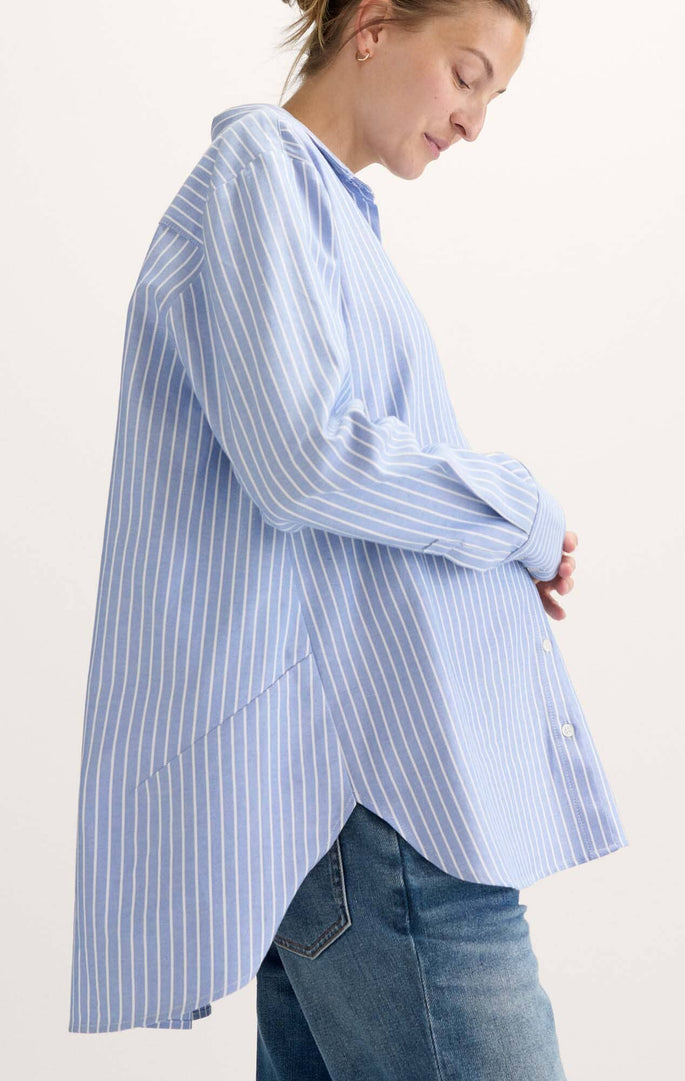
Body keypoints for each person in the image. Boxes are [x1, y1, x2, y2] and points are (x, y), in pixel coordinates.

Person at [67, 0, 629, 1073]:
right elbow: (305, 457)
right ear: (372, 26)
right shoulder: (262, 177)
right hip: (374, 811)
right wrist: (514, 509)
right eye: (466, 75)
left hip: (357, 807)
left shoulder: (318, 208)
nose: (473, 122)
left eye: (493, 99)